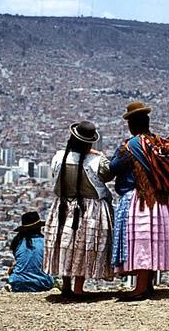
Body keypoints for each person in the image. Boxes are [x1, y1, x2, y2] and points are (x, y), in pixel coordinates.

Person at [110, 101, 169, 301]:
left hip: (141, 200)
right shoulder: (158, 142)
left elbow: (113, 167)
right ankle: (148, 284)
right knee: (152, 240)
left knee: (142, 241)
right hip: (160, 201)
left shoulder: (131, 145)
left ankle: (140, 288)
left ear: (131, 124)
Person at [43, 120, 114, 298]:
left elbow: (55, 175)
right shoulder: (97, 160)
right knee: (83, 246)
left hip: (64, 206)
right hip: (90, 208)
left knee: (65, 244)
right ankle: (79, 287)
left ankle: (66, 284)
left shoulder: (59, 157)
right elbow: (109, 175)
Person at [8, 211, 54, 292]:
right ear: (39, 227)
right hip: (42, 283)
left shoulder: (17, 242)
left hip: (19, 284)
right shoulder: (45, 242)